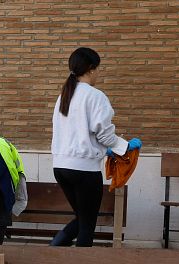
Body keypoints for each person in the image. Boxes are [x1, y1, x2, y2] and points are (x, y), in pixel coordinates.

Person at [50, 47, 142, 247]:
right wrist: (125, 146)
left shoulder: (63, 96)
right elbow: (104, 134)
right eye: (98, 69)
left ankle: (53, 251)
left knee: (82, 218)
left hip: (60, 166)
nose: (98, 73)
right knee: (87, 225)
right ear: (91, 69)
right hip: (84, 169)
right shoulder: (95, 96)